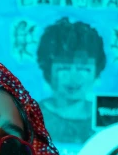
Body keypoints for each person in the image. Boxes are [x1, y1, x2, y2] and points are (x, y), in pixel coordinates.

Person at [36, 17, 107, 145]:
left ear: (96, 72)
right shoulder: (32, 116)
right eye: (64, 68)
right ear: (48, 71)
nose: (74, 78)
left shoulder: (104, 116)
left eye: (83, 69)